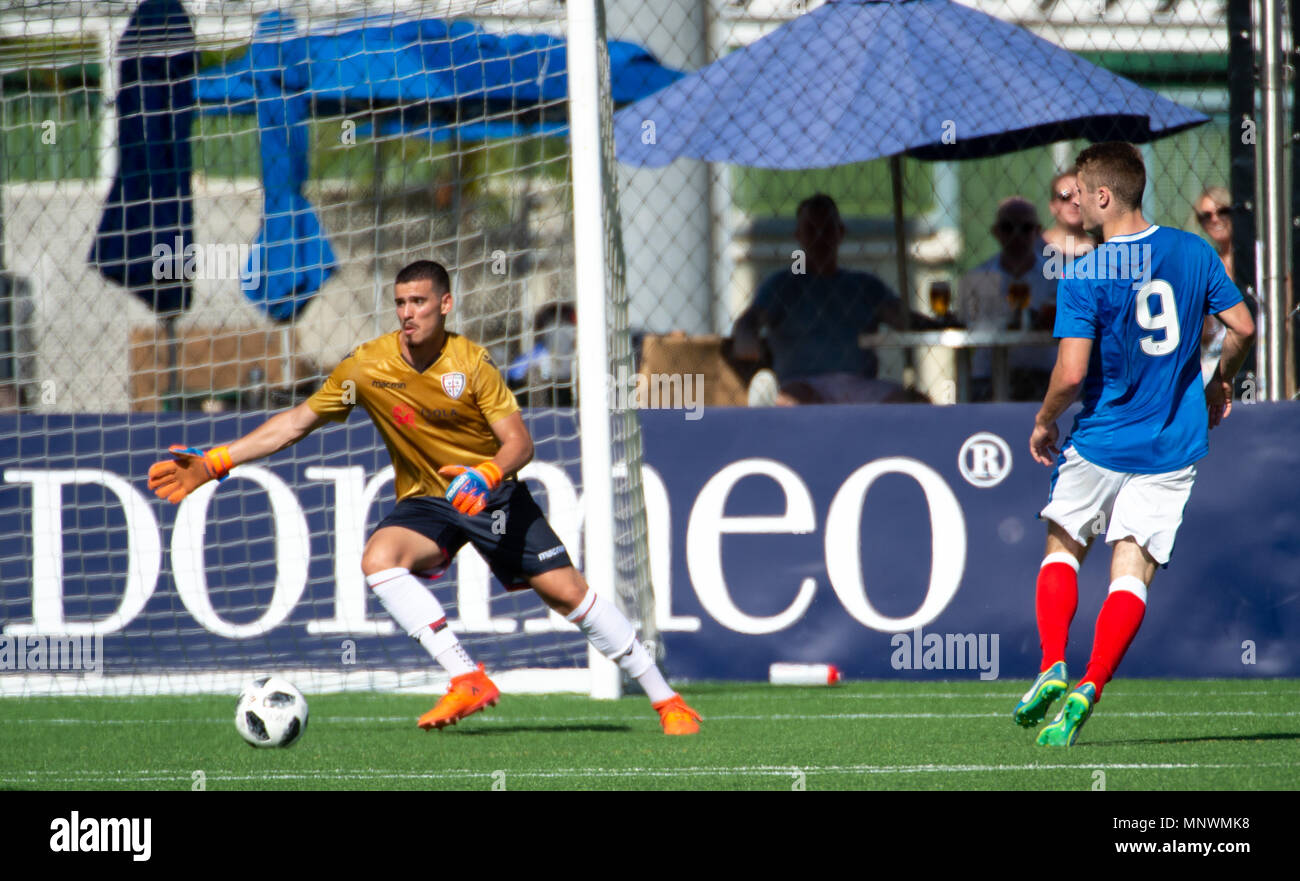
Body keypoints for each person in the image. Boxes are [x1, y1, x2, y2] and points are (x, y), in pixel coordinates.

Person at [147, 260, 701, 735]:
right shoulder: (367, 366)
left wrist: (484, 476)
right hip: (427, 499)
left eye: (418, 302)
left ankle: (668, 701)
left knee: (568, 595)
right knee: (378, 560)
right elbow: (297, 421)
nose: (407, 313)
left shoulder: (473, 364)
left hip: (492, 494)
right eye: (400, 303)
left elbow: (519, 443)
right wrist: (217, 461)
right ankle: (467, 677)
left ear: (446, 304)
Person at [1016, 143, 1255, 747]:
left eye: (1077, 193)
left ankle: (1051, 665)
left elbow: (1071, 377)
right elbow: (1244, 326)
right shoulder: (1192, 251)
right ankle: (1091, 686)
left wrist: (1045, 421)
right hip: (1172, 446)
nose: (1073, 204)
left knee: (1064, 548)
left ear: (1102, 196)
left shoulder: (1085, 273)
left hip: (1099, 441)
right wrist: (1220, 380)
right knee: (1131, 574)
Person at [731, 193, 944, 404]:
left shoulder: (864, 286)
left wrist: (939, 323)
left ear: (840, 233)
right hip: (803, 385)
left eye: (827, 230)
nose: (820, 238)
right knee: (791, 402)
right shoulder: (782, 285)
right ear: (798, 236)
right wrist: (746, 336)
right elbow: (750, 321)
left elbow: (903, 320)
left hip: (861, 385)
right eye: (811, 230)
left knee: (913, 403)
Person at [957, 197, 1058, 401]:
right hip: (988, 375)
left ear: (1037, 231)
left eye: (1025, 227)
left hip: (1044, 374)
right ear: (996, 231)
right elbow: (964, 330)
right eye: (1008, 227)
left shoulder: (1058, 278)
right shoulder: (977, 278)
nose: (1016, 235)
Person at [1192, 185, 1234, 384]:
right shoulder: (1205, 264)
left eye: (1222, 211)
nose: (1215, 219)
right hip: (1212, 360)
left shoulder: (1262, 260)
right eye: (1206, 215)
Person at [1041, 166, 1096, 261]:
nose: (1074, 202)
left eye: (1080, 196)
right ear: (1052, 206)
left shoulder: (1102, 248)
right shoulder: (1033, 248)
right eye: (1065, 196)